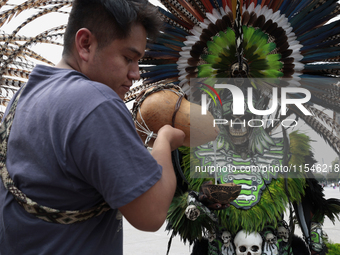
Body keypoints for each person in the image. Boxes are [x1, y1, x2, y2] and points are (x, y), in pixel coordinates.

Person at [0, 0, 185, 254]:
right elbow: (151, 214)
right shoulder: (96, 103)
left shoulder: (21, 98)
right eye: (128, 58)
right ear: (85, 44)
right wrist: (164, 141)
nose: (136, 74)